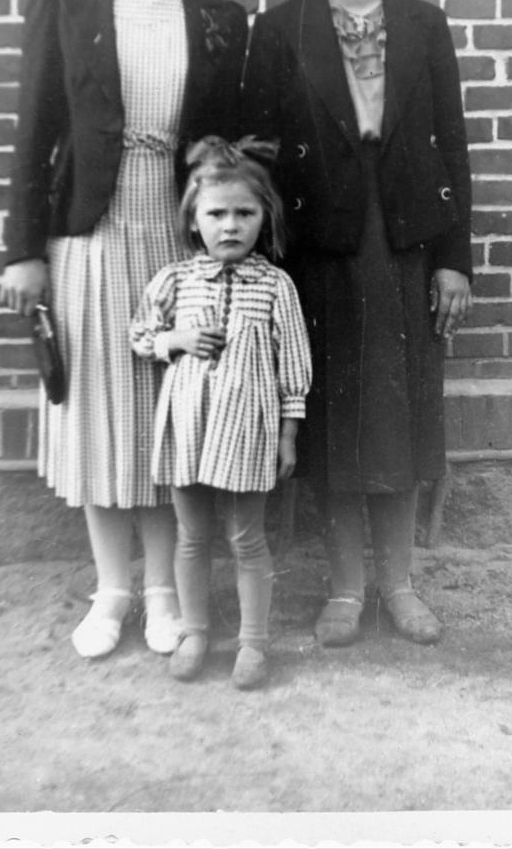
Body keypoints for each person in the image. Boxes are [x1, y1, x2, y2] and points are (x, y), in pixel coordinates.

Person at [0, 0, 248, 660]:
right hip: (93, 235)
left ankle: (166, 592)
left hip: (177, 241)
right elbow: (34, 136)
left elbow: (233, 143)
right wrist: (24, 251)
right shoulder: (65, 7)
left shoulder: (217, 18)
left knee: (167, 419)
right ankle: (111, 591)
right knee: (103, 417)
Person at [242, 0, 473, 648]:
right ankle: (344, 589)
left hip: (404, 242)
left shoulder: (424, 24)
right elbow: (259, 157)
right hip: (320, 250)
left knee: (400, 412)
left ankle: (399, 584)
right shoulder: (279, 29)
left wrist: (453, 259)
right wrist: (264, 263)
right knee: (334, 410)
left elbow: (453, 147)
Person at [130, 136, 312, 689]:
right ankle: (195, 632)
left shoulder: (276, 285)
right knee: (191, 536)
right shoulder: (176, 280)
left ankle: (253, 643)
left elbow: (294, 366)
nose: (230, 225)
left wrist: (288, 435)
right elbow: (139, 333)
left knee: (246, 539)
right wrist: (176, 338)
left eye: (244, 213)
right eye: (216, 214)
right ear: (194, 220)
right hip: (188, 425)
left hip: (249, 430)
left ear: (265, 217)